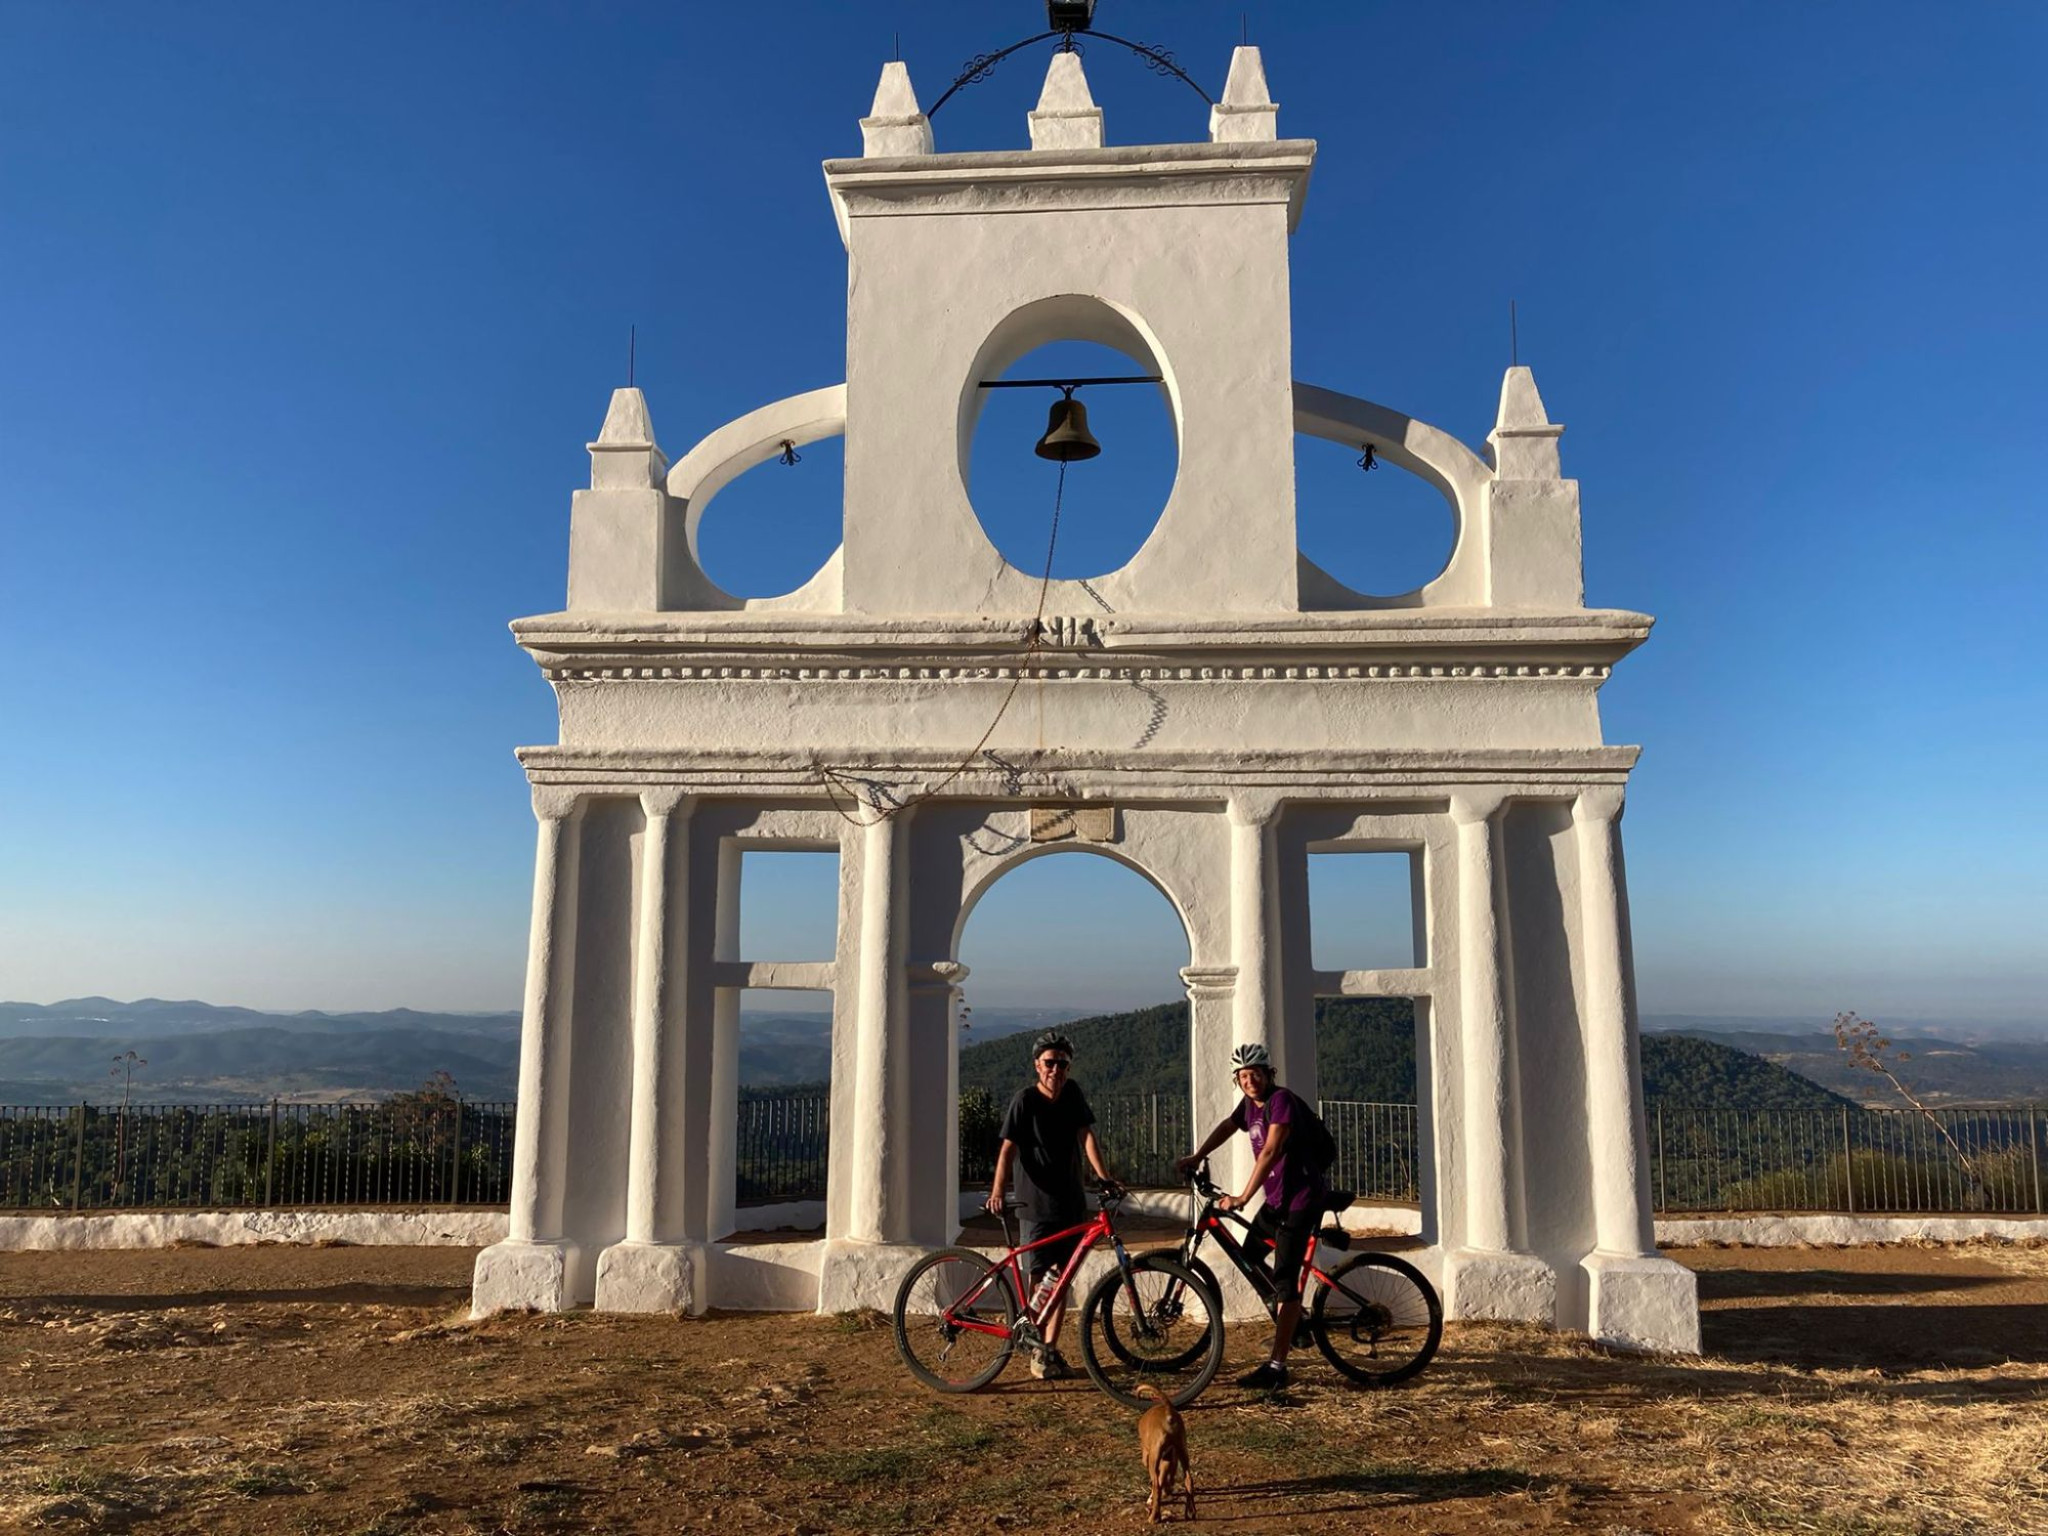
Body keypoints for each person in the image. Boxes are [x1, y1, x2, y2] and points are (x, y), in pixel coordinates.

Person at [1176, 1042, 1327, 1390]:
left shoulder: (1281, 1101)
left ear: (1268, 1074)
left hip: (1301, 1200)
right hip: (1278, 1200)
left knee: (1286, 1281)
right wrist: (1198, 1155)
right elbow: (1229, 1126)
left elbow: (1272, 1149)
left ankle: (1278, 1365)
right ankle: (1294, 1319)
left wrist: (1242, 1197)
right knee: (1250, 1257)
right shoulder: (1250, 1106)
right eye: (1243, 1076)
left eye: (1255, 1073)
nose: (1250, 1080)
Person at [986, 1029, 1119, 1380]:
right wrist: (998, 1191)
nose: (1055, 1069)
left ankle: (1047, 1350)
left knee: (1061, 1281)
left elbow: (1086, 1136)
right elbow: (1007, 1149)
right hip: (1036, 1205)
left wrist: (1103, 1176)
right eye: (1049, 1062)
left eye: (1062, 1063)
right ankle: (1035, 1347)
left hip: (1071, 1203)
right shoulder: (1024, 1100)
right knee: (1039, 1279)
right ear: (1037, 1065)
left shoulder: (1072, 1094)